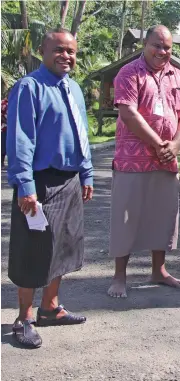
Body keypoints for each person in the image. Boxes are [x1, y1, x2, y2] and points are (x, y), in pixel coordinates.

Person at [6, 28, 93, 348]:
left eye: (71, 51)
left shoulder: (74, 89)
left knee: (64, 248)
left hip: (69, 180)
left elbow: (80, 133)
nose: (65, 56)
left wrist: (87, 173)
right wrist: (25, 186)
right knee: (33, 250)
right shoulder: (29, 88)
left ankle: (50, 308)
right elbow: (20, 141)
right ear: (43, 50)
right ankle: (24, 317)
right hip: (39, 184)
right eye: (58, 50)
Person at [107, 25, 180, 298]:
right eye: (157, 45)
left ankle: (159, 270)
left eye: (167, 47)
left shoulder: (179, 76)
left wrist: (176, 145)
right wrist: (158, 144)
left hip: (166, 161)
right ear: (145, 45)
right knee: (126, 217)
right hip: (133, 160)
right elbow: (129, 114)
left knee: (163, 216)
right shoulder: (129, 73)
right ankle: (120, 277)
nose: (162, 51)